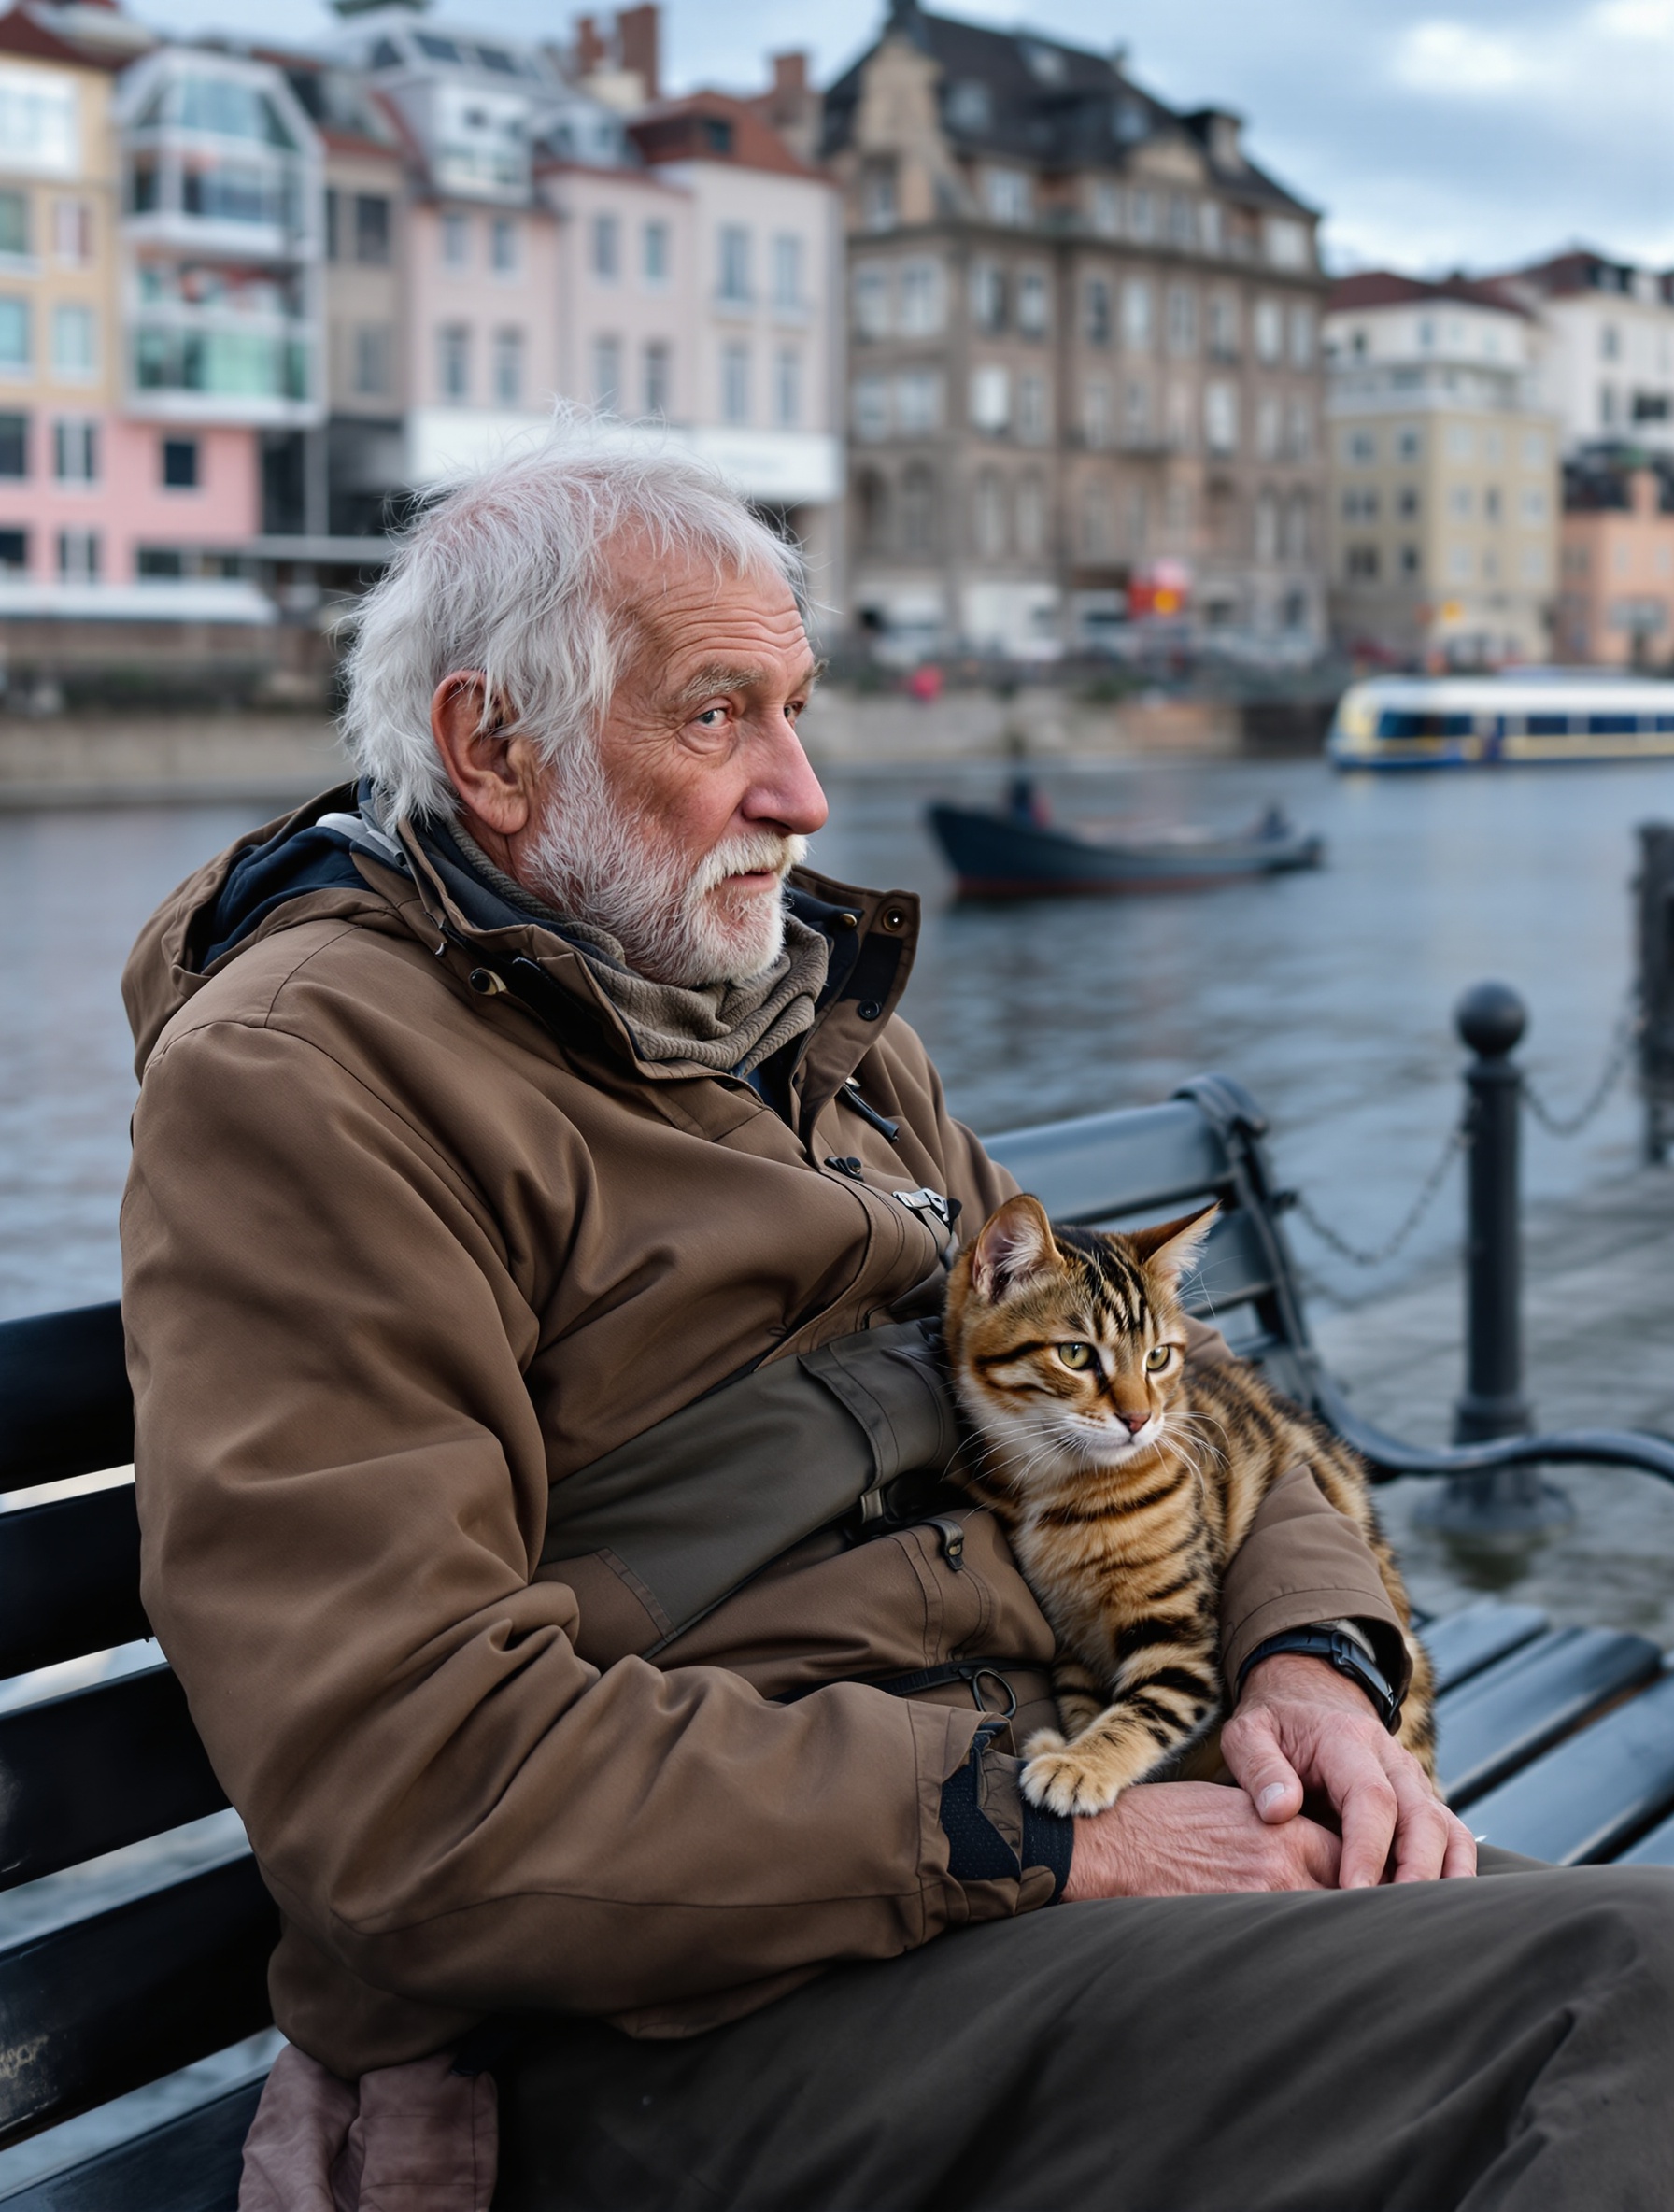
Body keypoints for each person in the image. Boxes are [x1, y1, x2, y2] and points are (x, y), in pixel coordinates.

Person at [121, 437, 1674, 2212]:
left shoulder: (801, 1025)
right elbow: (404, 1781)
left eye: (797, 708)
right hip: (724, 2000)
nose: (803, 793)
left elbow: (1194, 1404)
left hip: (1031, 1836)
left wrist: (1314, 1659)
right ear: (493, 747)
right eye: (718, 716)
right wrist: (1036, 1828)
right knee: (1636, 2013)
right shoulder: (310, 1083)